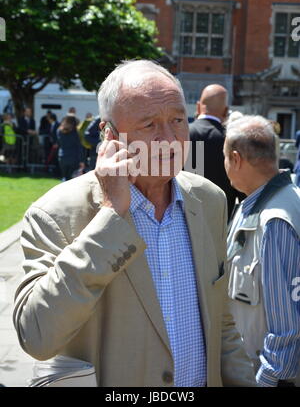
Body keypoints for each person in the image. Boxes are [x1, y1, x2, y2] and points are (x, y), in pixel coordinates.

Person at [13, 60, 256, 387]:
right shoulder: (54, 213)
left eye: (177, 120)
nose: (170, 139)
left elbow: (221, 324)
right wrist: (111, 217)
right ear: (109, 135)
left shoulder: (209, 200)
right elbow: (38, 336)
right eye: (149, 125)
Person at [224, 115, 300, 387]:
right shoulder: (265, 204)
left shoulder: (274, 222)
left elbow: (286, 326)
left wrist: (266, 380)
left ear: (235, 159)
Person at [189, 85, 244, 219]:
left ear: (198, 107)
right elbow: (242, 188)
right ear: (226, 111)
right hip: (219, 221)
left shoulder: (182, 134)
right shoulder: (232, 141)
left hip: (183, 219)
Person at [56, 115, 84, 181]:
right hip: (73, 157)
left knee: (64, 177)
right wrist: (82, 160)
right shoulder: (76, 133)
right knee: (72, 179)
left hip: (62, 156)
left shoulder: (59, 131)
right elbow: (79, 147)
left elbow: (58, 143)